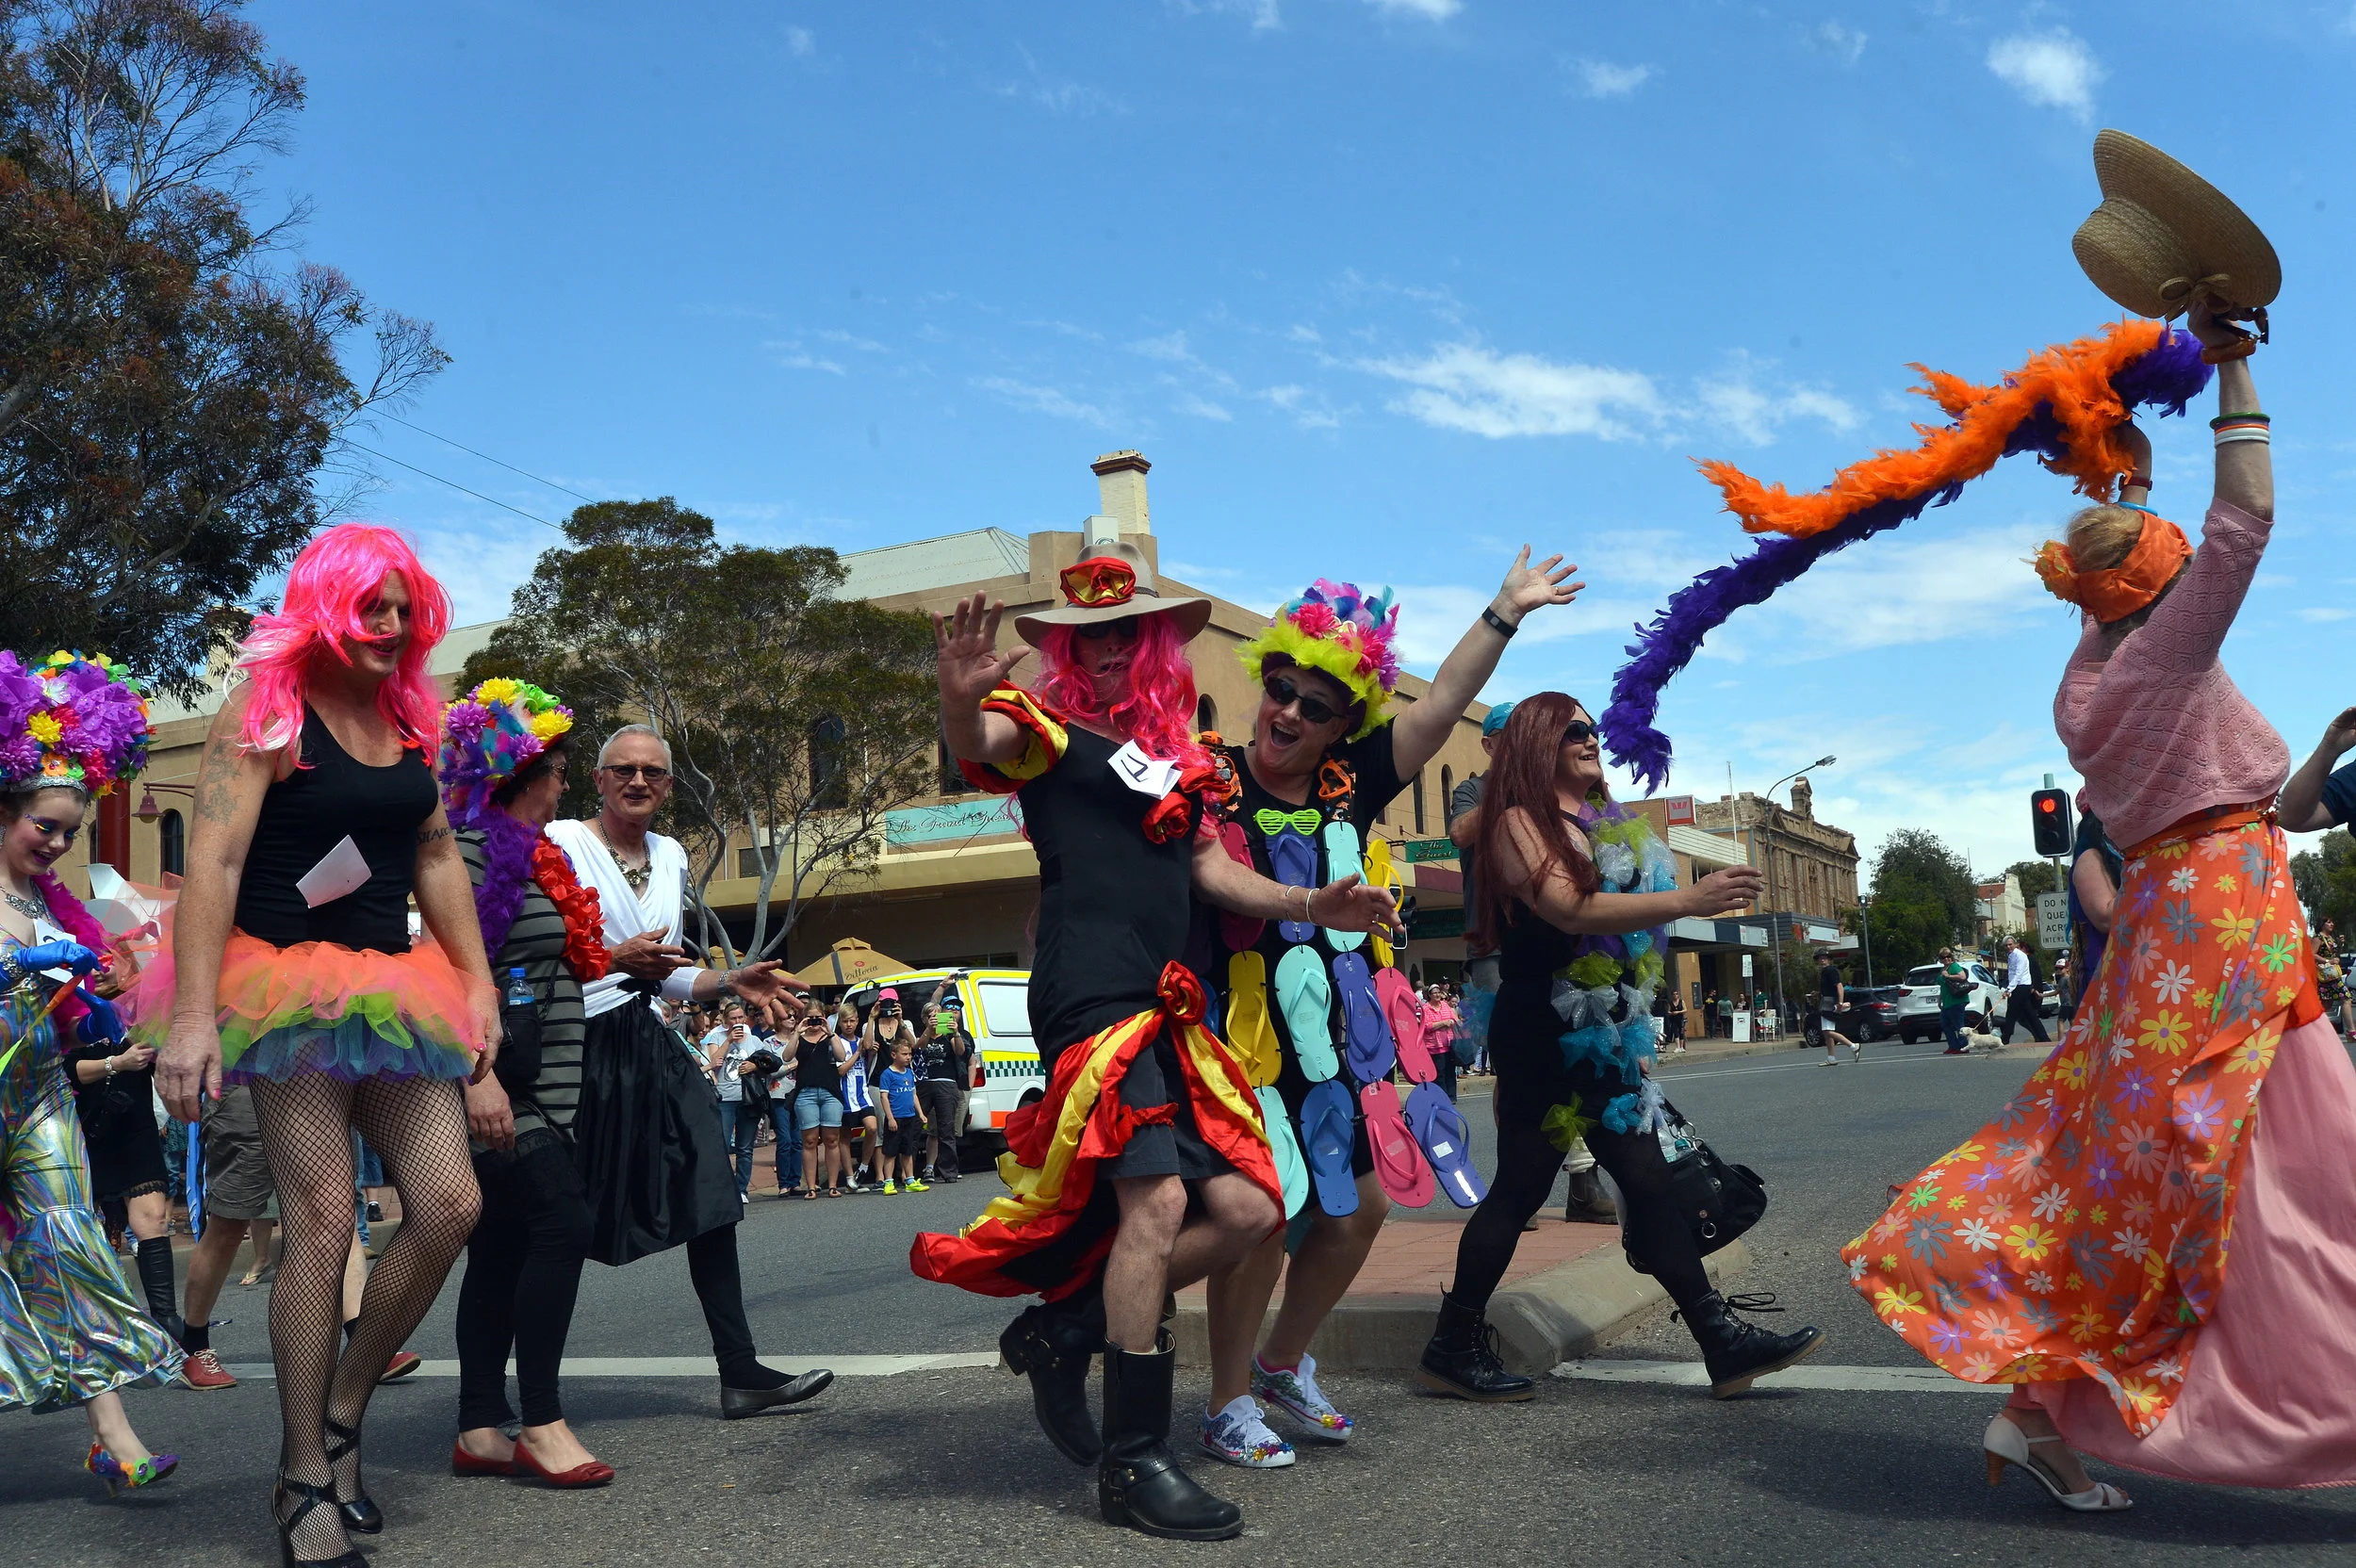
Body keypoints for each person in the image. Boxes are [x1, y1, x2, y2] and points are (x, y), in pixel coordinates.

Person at [1848, 302, 2356, 1507]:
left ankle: (2037, 1413)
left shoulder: (2085, 682)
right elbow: (2247, 521)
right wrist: (2233, 370)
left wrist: (2115, 481)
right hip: (2221, 922)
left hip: (2175, 923)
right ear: (2156, 588)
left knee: (2137, 1171)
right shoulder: (2166, 654)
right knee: (2280, 1166)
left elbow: (2244, 788)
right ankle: (2290, 1400)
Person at [915, 542, 1396, 1542]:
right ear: (1058, 651)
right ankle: (1135, 1460)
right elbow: (988, 732)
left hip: (1169, 999)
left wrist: (1317, 896)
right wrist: (961, 701)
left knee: (1253, 1205)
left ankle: (1067, 1329)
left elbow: (1217, 877)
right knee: (1160, 1198)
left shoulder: (1185, 761)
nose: (1099, 654)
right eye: (1079, 639)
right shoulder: (1042, 730)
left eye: (1120, 636)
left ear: (1151, 648)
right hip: (1089, 993)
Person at [139, 529, 500, 1567]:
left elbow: (434, 851)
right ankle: (305, 1474)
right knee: (324, 1220)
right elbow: (211, 855)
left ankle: (341, 1412)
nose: (391, 627)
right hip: (281, 988)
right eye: (371, 608)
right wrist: (197, 1015)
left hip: (394, 984)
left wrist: (475, 982)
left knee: (450, 1204)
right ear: (328, 607)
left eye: (404, 608)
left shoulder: (405, 717)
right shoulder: (265, 709)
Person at [1200, 554, 1586, 1468]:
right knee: (1262, 1213)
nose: (1289, 711)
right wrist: (1303, 906)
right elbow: (1201, 874)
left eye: (1316, 704)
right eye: (1280, 690)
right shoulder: (1211, 783)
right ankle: (1222, 1403)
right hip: (1239, 1041)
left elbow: (1439, 704)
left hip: (1334, 1045)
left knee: (1359, 1211)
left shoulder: (1348, 780)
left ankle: (1278, 1365)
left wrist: (1502, 611)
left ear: (1344, 719)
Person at [1412, 693, 1815, 1401]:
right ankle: (1452, 1344)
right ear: (1539, 743)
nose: (1590, 740)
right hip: (1544, 1023)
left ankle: (1719, 1342)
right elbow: (1569, 908)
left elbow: (1625, 927)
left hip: (1599, 1024)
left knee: (1643, 1175)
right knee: (1525, 1186)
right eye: (1574, 730)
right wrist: (1689, 902)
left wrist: (1637, 1018)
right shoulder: (1516, 822)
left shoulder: (1599, 821)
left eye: (1592, 730)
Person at [545, 725, 832, 1418]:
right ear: (599, 777)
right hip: (573, 1045)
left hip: (646, 1043)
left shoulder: (672, 854)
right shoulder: (558, 841)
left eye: (653, 773)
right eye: (624, 770)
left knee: (712, 1193)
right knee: (556, 1222)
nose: (638, 781)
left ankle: (740, 1371)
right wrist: (613, 962)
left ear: (669, 787)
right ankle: (523, 1399)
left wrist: (730, 979)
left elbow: (671, 978)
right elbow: (529, 955)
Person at [0, 650, 183, 1494]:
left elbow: (76, 1007)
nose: (61, 842)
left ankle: (113, 1435)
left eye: (72, 829)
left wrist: (97, 983)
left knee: (69, 1243)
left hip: (37, 1096)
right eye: (46, 826)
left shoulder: (49, 903)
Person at [440, 679, 614, 1489]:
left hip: (539, 1082)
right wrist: (480, 1081)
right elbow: (446, 978)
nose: (566, 782)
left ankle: (480, 1424)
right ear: (523, 773)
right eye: (558, 769)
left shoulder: (535, 853)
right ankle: (539, 1420)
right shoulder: (470, 854)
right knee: (562, 1223)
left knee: (503, 1245)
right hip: (506, 1088)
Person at [173, 1085, 274, 1389]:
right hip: (248, 1082)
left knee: (333, 1217)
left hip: (320, 1080)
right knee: (230, 1222)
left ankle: (361, 1336)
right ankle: (193, 1345)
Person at [702, 1004, 761, 1203]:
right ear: (726, 1020)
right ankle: (723, 1188)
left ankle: (741, 1189)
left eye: (740, 1018)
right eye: (733, 1019)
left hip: (748, 1098)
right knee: (723, 1144)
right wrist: (728, 1040)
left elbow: (766, 1063)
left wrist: (755, 1065)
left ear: (745, 1018)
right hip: (725, 1098)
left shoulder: (753, 1039)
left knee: (745, 1147)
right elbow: (714, 1063)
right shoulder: (717, 1037)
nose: (737, 1022)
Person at [790, 1010, 845, 1198]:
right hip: (806, 1092)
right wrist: (798, 1032)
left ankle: (832, 1185)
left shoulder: (831, 1036)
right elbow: (786, 1056)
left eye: (818, 1017)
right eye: (810, 1018)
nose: (814, 1022)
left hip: (830, 1092)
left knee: (831, 1139)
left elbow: (841, 1056)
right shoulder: (799, 1036)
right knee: (810, 1140)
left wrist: (829, 1032)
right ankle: (811, 1187)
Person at [918, 988, 970, 1184]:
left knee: (947, 1130)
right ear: (924, 1019)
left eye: (937, 1016)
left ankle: (949, 1171)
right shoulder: (922, 1034)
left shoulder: (949, 1034)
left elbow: (960, 1052)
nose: (934, 1019)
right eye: (930, 1016)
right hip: (924, 1084)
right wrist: (927, 1030)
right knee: (917, 1126)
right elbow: (918, 1048)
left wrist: (955, 1033)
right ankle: (908, 1173)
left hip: (947, 1084)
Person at [874, 1037, 925, 1194]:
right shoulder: (887, 1074)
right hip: (895, 1118)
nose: (908, 1057)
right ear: (894, 1055)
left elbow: (913, 1095)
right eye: (904, 1054)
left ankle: (910, 1179)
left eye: (909, 1054)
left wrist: (921, 1114)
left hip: (910, 1117)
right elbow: (884, 1097)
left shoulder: (909, 1073)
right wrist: (890, 1118)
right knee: (890, 1151)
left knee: (908, 1150)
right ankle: (888, 1182)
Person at [1999, 935, 2049, 1046]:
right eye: (2006, 945)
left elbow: (2018, 974)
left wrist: (2009, 989)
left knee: (2011, 1013)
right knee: (2030, 1013)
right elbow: (2012, 974)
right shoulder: (2011, 955)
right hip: (2019, 987)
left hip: (2021, 987)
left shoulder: (2020, 956)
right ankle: (2044, 1037)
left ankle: (2005, 1039)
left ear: (2015, 944)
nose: (2008, 947)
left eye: (2010, 944)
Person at [1815, 952, 1859, 1065]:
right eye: (1820, 958)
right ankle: (1831, 1058)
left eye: (1824, 958)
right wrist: (1817, 994)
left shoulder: (1831, 970)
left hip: (1830, 1003)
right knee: (1827, 1032)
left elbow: (1839, 986)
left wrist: (1840, 1002)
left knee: (1827, 1031)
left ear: (1829, 960)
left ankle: (1853, 1046)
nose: (1822, 960)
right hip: (1825, 1001)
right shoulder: (1824, 972)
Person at [1934, 945, 1972, 1054]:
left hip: (1957, 1001)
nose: (1946, 959)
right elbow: (1943, 986)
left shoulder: (1954, 966)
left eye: (1948, 956)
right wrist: (1940, 999)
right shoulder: (1943, 969)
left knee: (1958, 1025)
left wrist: (1949, 976)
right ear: (1940, 959)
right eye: (1943, 957)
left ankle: (1963, 1047)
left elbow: (1962, 976)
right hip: (1947, 1002)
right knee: (1945, 1024)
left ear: (1951, 957)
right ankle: (1953, 1046)